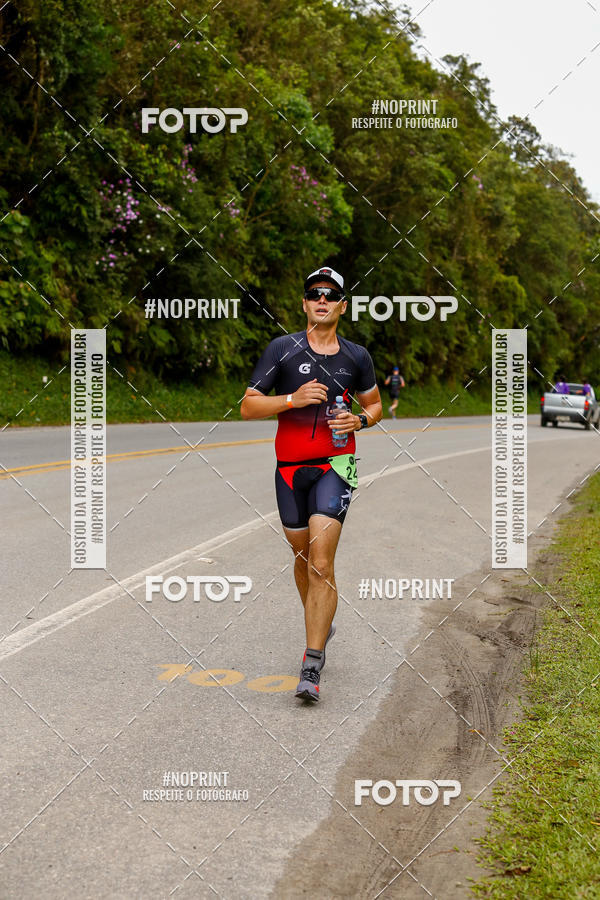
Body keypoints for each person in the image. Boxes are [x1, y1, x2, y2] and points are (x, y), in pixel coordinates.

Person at [240, 266, 382, 702]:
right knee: (302, 558)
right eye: (314, 293)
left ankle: (312, 664)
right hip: (289, 469)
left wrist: (359, 419)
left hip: (335, 465)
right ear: (304, 303)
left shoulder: (356, 356)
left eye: (331, 294)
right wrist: (292, 399)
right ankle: (320, 618)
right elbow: (247, 407)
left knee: (321, 563)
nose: (322, 299)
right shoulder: (282, 350)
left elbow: (375, 405)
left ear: (342, 306)